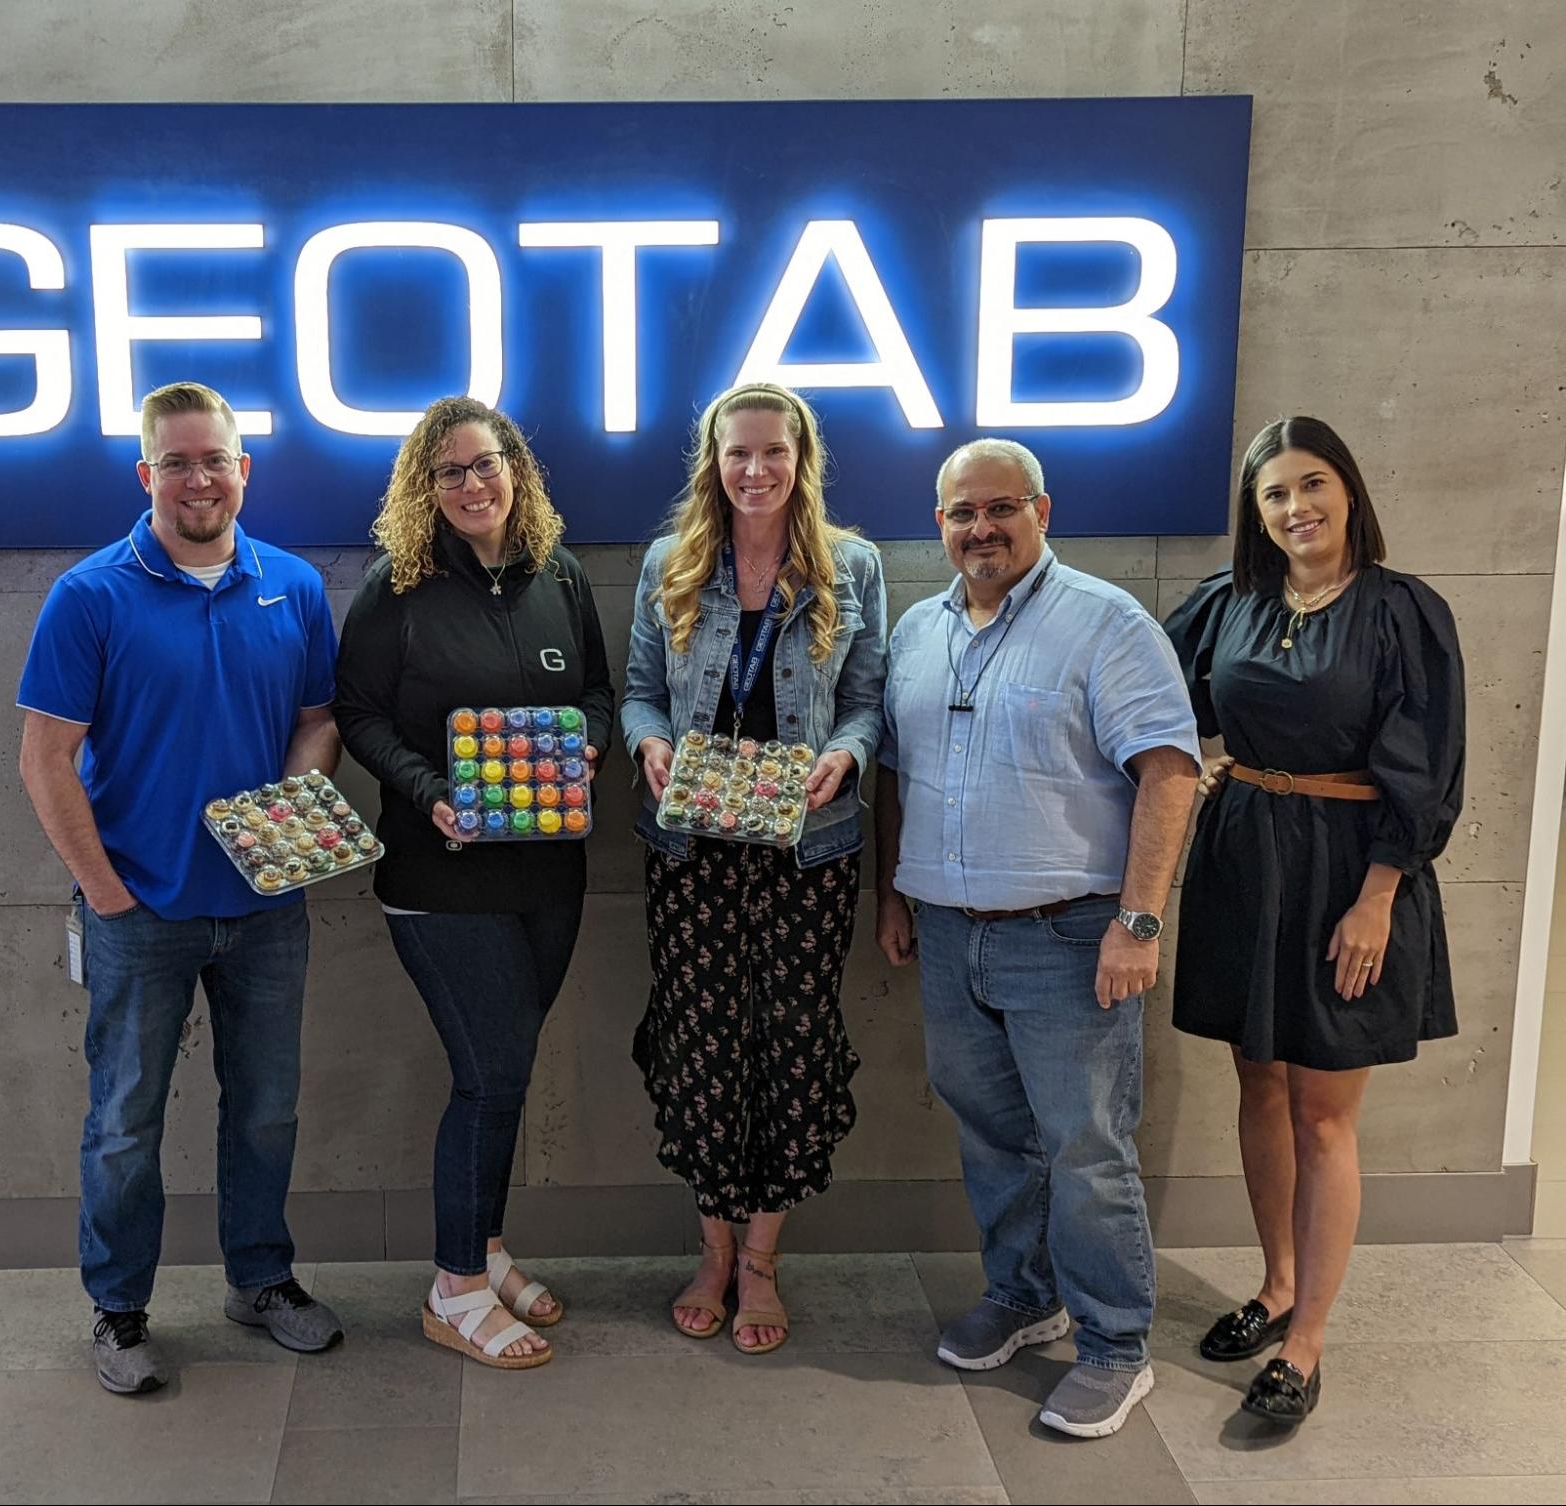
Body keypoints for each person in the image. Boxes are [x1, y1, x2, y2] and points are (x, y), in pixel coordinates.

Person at [16, 381, 346, 1394]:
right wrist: (106, 895)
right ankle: (118, 1312)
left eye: (215, 460)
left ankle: (261, 1280)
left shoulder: (291, 585)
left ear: (244, 470)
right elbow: (45, 759)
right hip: (140, 913)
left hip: (265, 912)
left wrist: (290, 822)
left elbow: (317, 718)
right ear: (146, 474)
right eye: (177, 461)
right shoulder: (89, 595)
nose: (198, 478)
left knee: (266, 1111)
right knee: (125, 1119)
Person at [873, 437, 1199, 1438]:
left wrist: (1137, 921)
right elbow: (896, 773)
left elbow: (1169, 772)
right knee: (990, 1139)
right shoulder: (917, 633)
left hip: (1068, 939)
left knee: (1085, 1153)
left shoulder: (1104, 623)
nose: (979, 527)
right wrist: (893, 894)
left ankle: (1113, 1345)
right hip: (943, 929)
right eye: (960, 512)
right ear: (938, 524)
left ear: (1041, 511)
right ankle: (1023, 1296)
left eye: (999, 508)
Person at [1163, 417, 1464, 1425]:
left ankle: (1307, 1341)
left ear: (1348, 491)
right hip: (1245, 861)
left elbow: (1428, 768)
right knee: (1257, 1077)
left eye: (1313, 484)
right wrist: (1190, 769)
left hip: (1349, 872)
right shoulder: (1229, 603)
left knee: (1323, 1112)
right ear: (1256, 515)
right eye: (1275, 494)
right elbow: (1152, 699)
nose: (1298, 508)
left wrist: (1378, 894)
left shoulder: (1400, 613)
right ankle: (1277, 1281)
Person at [334, 396, 614, 1371]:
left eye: (485, 463)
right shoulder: (396, 588)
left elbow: (594, 694)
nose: (471, 483)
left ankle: (486, 1250)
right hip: (437, 875)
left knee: (506, 1076)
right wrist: (427, 790)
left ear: (516, 470)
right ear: (425, 486)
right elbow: (359, 714)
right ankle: (452, 1290)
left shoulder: (560, 576)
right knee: (488, 1076)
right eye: (448, 471)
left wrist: (589, 748)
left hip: (549, 870)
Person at [620, 381, 888, 1355]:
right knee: (700, 1046)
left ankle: (764, 1260)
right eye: (738, 453)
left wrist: (843, 757)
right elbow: (641, 693)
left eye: (773, 452)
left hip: (804, 856)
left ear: (800, 458)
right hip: (690, 853)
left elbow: (866, 702)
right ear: (713, 461)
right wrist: (648, 745)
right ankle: (714, 1251)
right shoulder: (671, 563)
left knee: (791, 1045)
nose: (756, 469)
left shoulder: (849, 565)